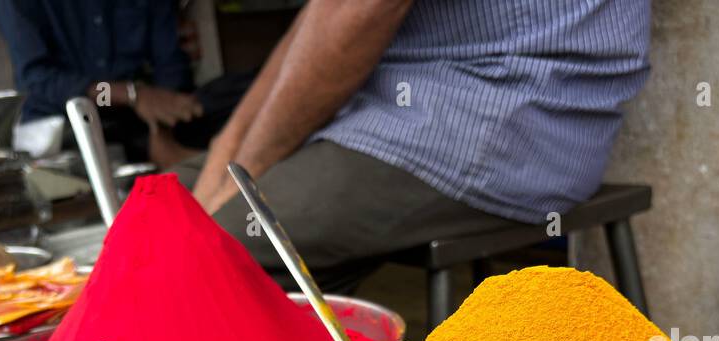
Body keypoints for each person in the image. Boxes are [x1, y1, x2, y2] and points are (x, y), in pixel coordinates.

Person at [179, 0, 651, 291]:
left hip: (509, 107)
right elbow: (323, 17)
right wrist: (225, 161)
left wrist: (239, 178)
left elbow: (359, 11)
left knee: (222, 249)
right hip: (397, 99)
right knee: (168, 205)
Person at [0, 0, 219, 165]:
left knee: (228, 98)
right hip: (61, 126)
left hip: (139, 118)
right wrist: (131, 95)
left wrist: (163, 121)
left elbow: (170, 63)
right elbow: (38, 80)